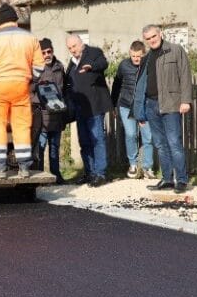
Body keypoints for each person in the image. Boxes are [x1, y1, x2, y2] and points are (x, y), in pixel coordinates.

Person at [0, 3, 44, 178]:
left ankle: (0, 168)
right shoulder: (30, 38)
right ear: (15, 20)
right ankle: (24, 167)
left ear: (0, 22)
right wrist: (31, 81)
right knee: (22, 125)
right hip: (21, 86)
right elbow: (39, 67)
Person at [133, 25, 192, 194]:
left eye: (154, 36)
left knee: (174, 143)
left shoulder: (175, 50)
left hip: (172, 103)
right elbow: (141, 85)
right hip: (151, 105)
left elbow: (185, 75)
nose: (152, 40)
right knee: (160, 144)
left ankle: (181, 180)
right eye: (148, 38)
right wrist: (140, 111)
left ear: (160, 34)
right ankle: (167, 179)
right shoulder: (147, 57)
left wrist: (186, 100)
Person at [65, 35, 112, 187]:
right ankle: (89, 173)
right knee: (84, 142)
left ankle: (100, 174)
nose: (72, 50)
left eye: (74, 46)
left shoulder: (94, 53)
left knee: (97, 140)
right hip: (80, 108)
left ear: (81, 43)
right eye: (70, 48)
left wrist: (91, 66)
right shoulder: (71, 63)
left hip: (94, 106)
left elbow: (103, 64)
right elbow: (68, 83)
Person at [111, 41, 154, 179]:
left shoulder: (148, 65)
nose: (136, 59)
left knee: (148, 137)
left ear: (144, 54)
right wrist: (112, 105)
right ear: (130, 53)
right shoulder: (123, 65)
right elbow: (116, 85)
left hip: (144, 107)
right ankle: (133, 165)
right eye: (134, 56)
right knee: (131, 134)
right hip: (126, 106)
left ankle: (147, 167)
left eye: (139, 56)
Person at [30, 38, 66, 184]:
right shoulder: (35, 68)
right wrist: (38, 99)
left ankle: (56, 174)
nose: (46, 55)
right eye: (43, 52)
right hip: (41, 113)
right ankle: (39, 176)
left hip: (57, 113)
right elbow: (29, 90)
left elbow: (64, 89)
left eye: (48, 51)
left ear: (52, 51)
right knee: (40, 147)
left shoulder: (59, 67)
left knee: (55, 147)